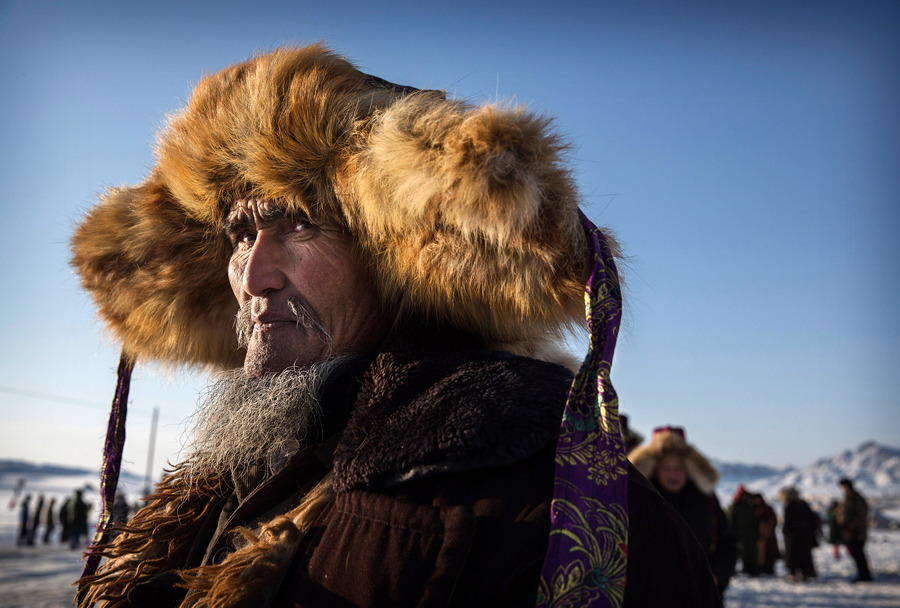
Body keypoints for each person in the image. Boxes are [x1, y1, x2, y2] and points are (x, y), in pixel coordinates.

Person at [71, 45, 722, 607]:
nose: (254, 274)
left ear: (392, 254)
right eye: (240, 234)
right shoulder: (220, 481)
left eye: (298, 222)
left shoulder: (547, 492)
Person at [629, 426, 737, 599]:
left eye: (678, 467)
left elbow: (727, 541)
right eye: (667, 467)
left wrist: (716, 574)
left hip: (698, 591)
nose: (673, 473)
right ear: (654, 468)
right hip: (649, 594)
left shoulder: (705, 499)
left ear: (689, 468)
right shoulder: (639, 499)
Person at [837, 478, 873, 582]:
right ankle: (863, 574)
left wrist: (850, 526)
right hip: (853, 531)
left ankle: (864, 575)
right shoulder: (850, 497)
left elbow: (859, 515)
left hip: (856, 532)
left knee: (858, 553)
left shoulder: (854, 498)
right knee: (856, 553)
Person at [779, 487, 818, 581]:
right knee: (805, 554)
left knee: (792, 555)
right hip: (805, 534)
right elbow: (812, 519)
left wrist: (785, 531)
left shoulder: (789, 507)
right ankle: (807, 572)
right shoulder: (803, 504)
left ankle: (793, 573)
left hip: (793, 536)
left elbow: (787, 522)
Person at [729, 485, 760, 577]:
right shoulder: (735, 507)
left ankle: (750, 568)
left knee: (750, 552)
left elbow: (755, 520)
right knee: (736, 552)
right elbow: (731, 520)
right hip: (738, 534)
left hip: (750, 534)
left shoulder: (750, 506)